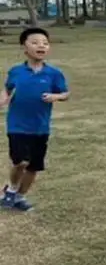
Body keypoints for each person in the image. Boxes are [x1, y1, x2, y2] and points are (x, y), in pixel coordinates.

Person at [0, 27, 69, 212]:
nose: (41, 46)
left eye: (45, 43)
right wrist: (3, 97)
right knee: (20, 162)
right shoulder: (16, 71)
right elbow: (7, 88)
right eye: (35, 42)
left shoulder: (54, 73)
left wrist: (56, 97)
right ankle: (11, 189)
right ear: (25, 47)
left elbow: (65, 93)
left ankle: (20, 198)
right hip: (17, 126)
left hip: (41, 127)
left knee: (33, 167)